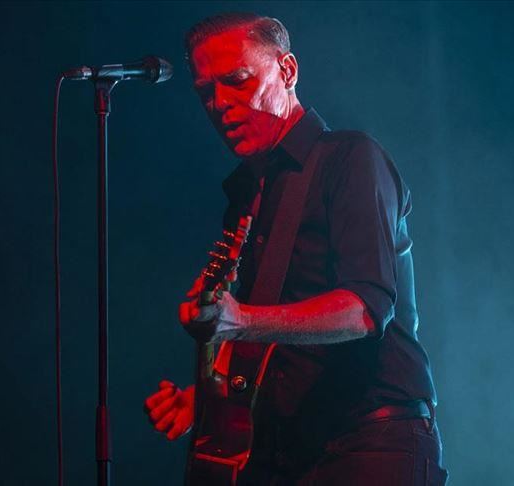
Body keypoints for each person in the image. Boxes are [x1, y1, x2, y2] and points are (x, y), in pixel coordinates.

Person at [144, 12, 448, 485]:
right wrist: (208, 397)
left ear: (287, 70)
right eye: (206, 92)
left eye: (237, 81)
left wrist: (241, 321)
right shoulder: (247, 194)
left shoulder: (350, 158)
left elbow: (367, 309)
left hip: (373, 440)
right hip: (292, 452)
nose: (220, 104)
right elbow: (271, 332)